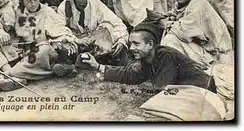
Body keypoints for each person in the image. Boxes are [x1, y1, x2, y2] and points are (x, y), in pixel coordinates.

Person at [0, 0, 79, 93]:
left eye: (35, 0)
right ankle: (14, 74)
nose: (33, 3)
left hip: (35, 53)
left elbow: (60, 30)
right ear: (22, 1)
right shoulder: (14, 9)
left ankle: (5, 76)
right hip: (14, 51)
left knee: (45, 50)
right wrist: (0, 30)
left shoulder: (47, 12)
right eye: (28, 1)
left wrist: (65, 39)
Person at [81, 22, 219, 93]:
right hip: (185, 94)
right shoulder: (149, 58)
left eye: (136, 44)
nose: (131, 48)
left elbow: (162, 89)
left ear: (150, 44)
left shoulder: (165, 56)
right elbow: (132, 75)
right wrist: (98, 66)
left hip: (203, 92)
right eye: (130, 44)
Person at [160, 0, 232, 69]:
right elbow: (174, 16)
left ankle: (187, 71)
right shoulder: (183, 1)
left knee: (170, 39)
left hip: (217, 55)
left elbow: (183, 33)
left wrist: (165, 23)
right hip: (204, 47)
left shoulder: (197, 5)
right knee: (167, 34)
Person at [57, 0, 129, 65]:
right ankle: (72, 63)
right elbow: (59, 29)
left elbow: (115, 21)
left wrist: (121, 40)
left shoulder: (95, 3)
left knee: (108, 26)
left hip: (92, 40)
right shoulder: (65, 5)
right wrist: (77, 40)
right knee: (62, 45)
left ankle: (104, 57)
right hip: (74, 41)